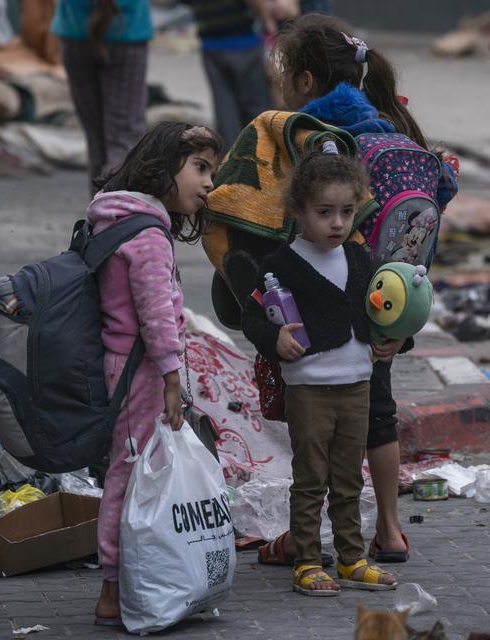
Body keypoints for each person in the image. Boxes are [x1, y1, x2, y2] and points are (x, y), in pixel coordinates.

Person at [255, 13, 458, 568]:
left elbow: (275, 230)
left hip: (328, 312)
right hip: (389, 304)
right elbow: (435, 200)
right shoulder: (396, 133)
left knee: (315, 434)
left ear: (303, 81)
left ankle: (302, 540)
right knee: (379, 413)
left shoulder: (313, 140)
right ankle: (390, 531)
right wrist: (396, 323)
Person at [242, 141, 397, 595]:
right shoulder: (280, 265)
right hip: (309, 389)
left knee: (349, 479)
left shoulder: (359, 258)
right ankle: (308, 561)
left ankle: (352, 559)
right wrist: (276, 339)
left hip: (358, 386)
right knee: (311, 480)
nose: (337, 223)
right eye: (324, 212)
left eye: (347, 212)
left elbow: (381, 311)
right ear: (298, 210)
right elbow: (252, 317)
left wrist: (394, 339)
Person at [87, 121, 222, 624]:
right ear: (164, 168)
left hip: (130, 367)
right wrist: (171, 377)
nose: (209, 183)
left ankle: (134, 579)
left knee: (136, 471)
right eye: (200, 168)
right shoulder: (146, 235)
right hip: (138, 372)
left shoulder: (121, 219)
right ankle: (112, 589)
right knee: (129, 475)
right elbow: (156, 315)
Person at [51, 1, 153, 193]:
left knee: (96, 138)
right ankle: (115, 212)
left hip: (76, 33)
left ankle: (99, 213)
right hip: (127, 32)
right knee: (124, 138)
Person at [181, 0, 275, 151]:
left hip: (211, 45)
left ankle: (231, 164)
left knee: (225, 111)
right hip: (244, 41)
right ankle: (264, 157)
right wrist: (268, 23)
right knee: (256, 107)